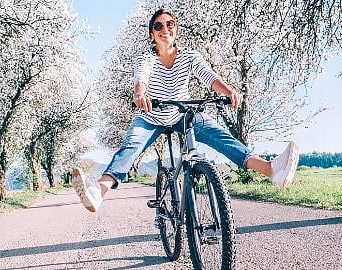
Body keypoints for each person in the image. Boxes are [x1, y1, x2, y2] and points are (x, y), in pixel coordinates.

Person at [72, 9, 299, 212]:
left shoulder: (189, 56)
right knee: (130, 147)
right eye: (158, 26)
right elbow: (141, 78)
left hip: (183, 114)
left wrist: (229, 91)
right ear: (152, 34)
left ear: (176, 30)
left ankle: (271, 170)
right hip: (151, 116)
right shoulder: (146, 57)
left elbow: (209, 76)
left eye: (169, 24)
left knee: (221, 137)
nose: (164, 29)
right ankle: (98, 193)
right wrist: (140, 95)